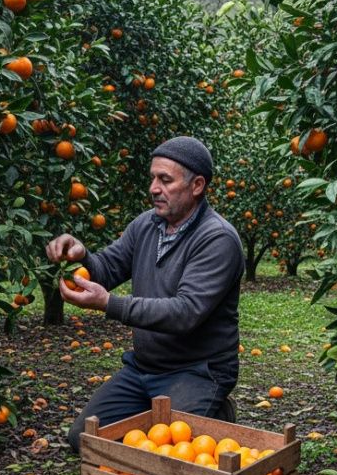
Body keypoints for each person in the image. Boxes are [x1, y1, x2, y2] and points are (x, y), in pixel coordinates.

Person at [46, 136, 245, 453]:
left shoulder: (217, 239)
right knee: (83, 439)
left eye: (165, 180)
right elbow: (107, 269)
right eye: (153, 178)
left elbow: (185, 313)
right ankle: (156, 412)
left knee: (168, 452)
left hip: (196, 371)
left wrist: (109, 304)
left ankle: (216, 409)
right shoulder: (146, 224)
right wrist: (82, 256)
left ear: (196, 185)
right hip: (144, 369)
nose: (154, 188)